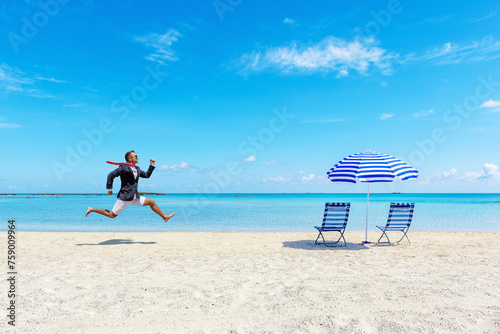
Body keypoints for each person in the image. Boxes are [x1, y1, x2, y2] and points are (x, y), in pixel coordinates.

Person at [86, 150, 175, 222]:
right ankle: (91, 209)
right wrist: (110, 190)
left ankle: (164, 217)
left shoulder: (137, 168)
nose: (138, 157)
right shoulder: (123, 168)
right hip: (125, 198)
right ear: (130, 159)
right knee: (111, 215)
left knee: (151, 202)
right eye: (136, 156)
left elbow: (147, 175)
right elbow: (110, 175)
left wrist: (151, 165)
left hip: (135, 197)